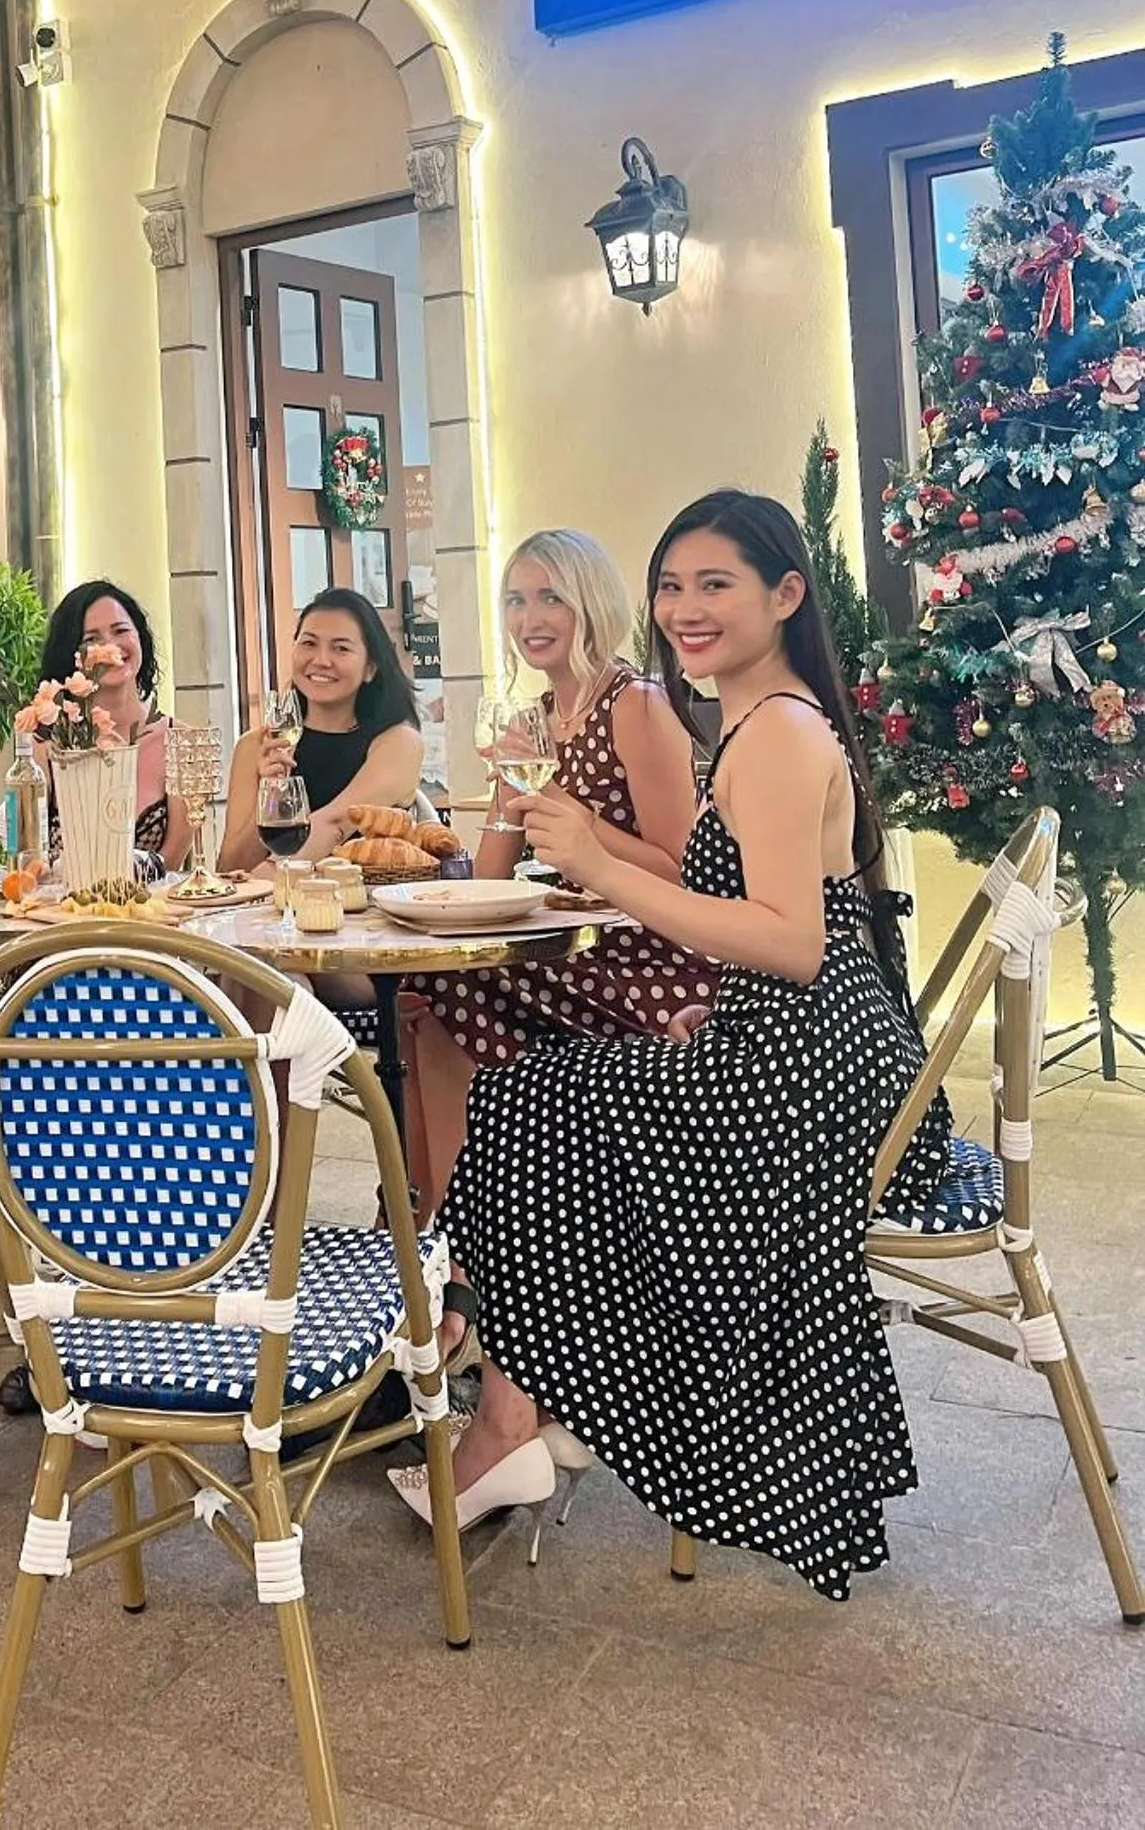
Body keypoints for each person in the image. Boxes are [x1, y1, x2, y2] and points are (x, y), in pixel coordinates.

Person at [391, 491, 949, 1602]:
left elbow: (792, 943)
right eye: (671, 587)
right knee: (528, 1102)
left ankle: (526, 1415)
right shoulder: (754, 721)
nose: (685, 610)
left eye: (715, 585)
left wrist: (595, 867)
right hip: (788, 1041)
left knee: (521, 1107)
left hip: (804, 1081)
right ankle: (527, 1414)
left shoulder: (777, 734)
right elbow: (776, 926)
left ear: (785, 596)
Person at [400, 531, 713, 1210]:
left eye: (549, 598)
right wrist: (510, 799)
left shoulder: (638, 704)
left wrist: (575, 819)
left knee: (444, 991)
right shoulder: (535, 721)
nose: (528, 619)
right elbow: (489, 878)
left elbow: (683, 869)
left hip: (650, 956)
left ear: (588, 604)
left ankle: (458, 1218)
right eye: (516, 600)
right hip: (576, 948)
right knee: (424, 987)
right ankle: (441, 1213)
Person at [219, 588, 424, 871]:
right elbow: (230, 869)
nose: (321, 660)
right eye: (309, 643)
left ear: (370, 668)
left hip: (365, 909)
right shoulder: (256, 746)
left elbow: (336, 823)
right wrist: (272, 796)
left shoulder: (398, 741)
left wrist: (271, 880)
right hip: (273, 912)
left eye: (341, 648)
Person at [35, 579, 191, 876]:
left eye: (120, 631)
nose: (109, 646)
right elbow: (28, 854)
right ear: (71, 656)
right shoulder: (45, 746)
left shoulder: (180, 741)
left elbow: (171, 863)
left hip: (151, 916)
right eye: (91, 639)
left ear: (140, 639)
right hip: (63, 917)